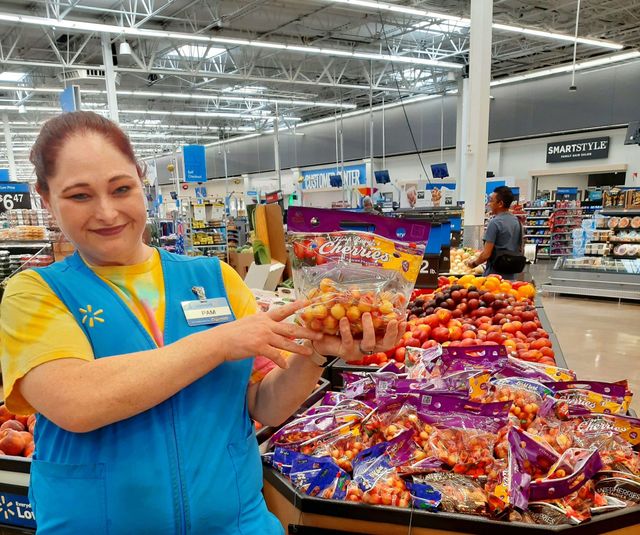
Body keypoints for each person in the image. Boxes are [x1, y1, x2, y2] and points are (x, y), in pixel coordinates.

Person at [0, 111, 405, 534]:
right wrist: (218, 343)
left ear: (142, 183)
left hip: (236, 523)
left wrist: (315, 356)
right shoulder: (36, 293)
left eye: (121, 189)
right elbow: (76, 402)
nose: (107, 212)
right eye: (79, 196)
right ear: (45, 200)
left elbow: (265, 404)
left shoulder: (214, 278)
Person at [468, 186, 523, 280]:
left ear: (500, 203)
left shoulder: (495, 223)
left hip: (493, 277)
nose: (489, 204)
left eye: (491, 201)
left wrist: (473, 263)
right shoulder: (517, 222)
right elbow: (520, 248)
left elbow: (486, 254)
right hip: (511, 276)